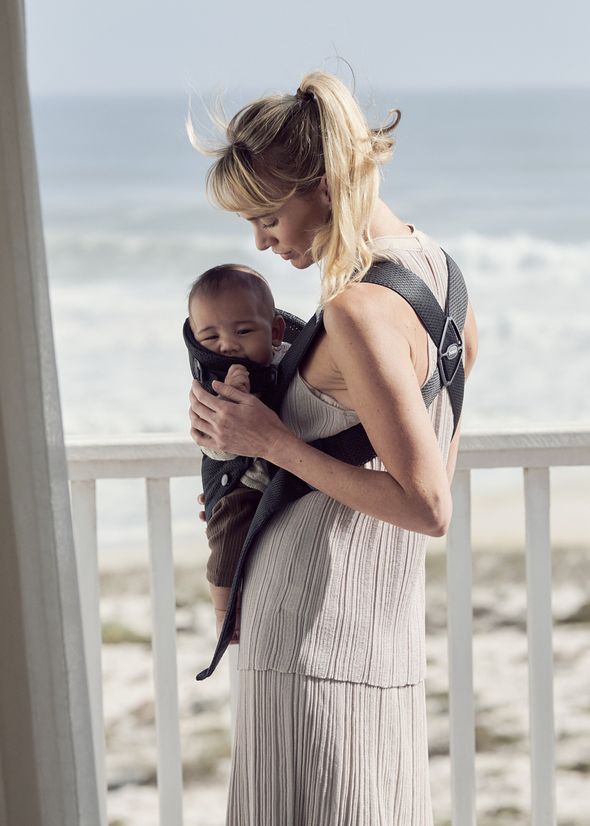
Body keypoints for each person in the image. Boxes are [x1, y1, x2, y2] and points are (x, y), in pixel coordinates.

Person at [188, 70, 478, 825]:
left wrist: (272, 444)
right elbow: (433, 457)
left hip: (310, 635)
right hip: (381, 631)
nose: (260, 241)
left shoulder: (355, 307)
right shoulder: (443, 274)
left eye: (267, 215)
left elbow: (426, 504)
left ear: (321, 183)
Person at [186, 263, 289, 643]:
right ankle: (224, 614)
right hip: (239, 484)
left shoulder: (291, 362)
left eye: (243, 331)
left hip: (282, 480)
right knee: (228, 538)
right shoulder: (211, 386)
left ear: (275, 331)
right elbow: (212, 443)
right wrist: (236, 399)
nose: (228, 345)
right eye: (210, 337)